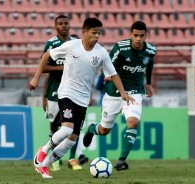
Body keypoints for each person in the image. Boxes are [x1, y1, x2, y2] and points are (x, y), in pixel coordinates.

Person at [30, 17, 135, 179]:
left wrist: (123, 93)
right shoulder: (71, 46)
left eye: (99, 33)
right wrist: (36, 78)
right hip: (66, 93)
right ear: (84, 32)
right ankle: (42, 151)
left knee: (72, 139)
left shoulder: (101, 53)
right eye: (94, 33)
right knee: (66, 129)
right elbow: (46, 56)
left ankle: (44, 166)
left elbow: (113, 74)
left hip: (82, 99)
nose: (97, 36)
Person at [82, 21, 156, 171]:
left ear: (146, 35)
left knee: (133, 122)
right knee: (104, 130)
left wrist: (148, 83)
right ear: (131, 34)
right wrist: (107, 75)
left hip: (134, 92)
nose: (138, 39)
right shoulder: (121, 48)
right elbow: (107, 63)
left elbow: (149, 65)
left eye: (141, 36)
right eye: (135, 35)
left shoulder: (150, 50)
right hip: (114, 93)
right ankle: (91, 129)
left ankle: (121, 160)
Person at [41, 15, 87, 171]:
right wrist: (44, 96)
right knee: (55, 126)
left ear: (70, 25)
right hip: (54, 92)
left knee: (73, 127)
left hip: (74, 92)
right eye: (60, 24)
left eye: (66, 23)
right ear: (55, 27)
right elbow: (44, 68)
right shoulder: (52, 44)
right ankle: (54, 159)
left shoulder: (77, 45)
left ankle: (72, 159)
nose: (63, 26)